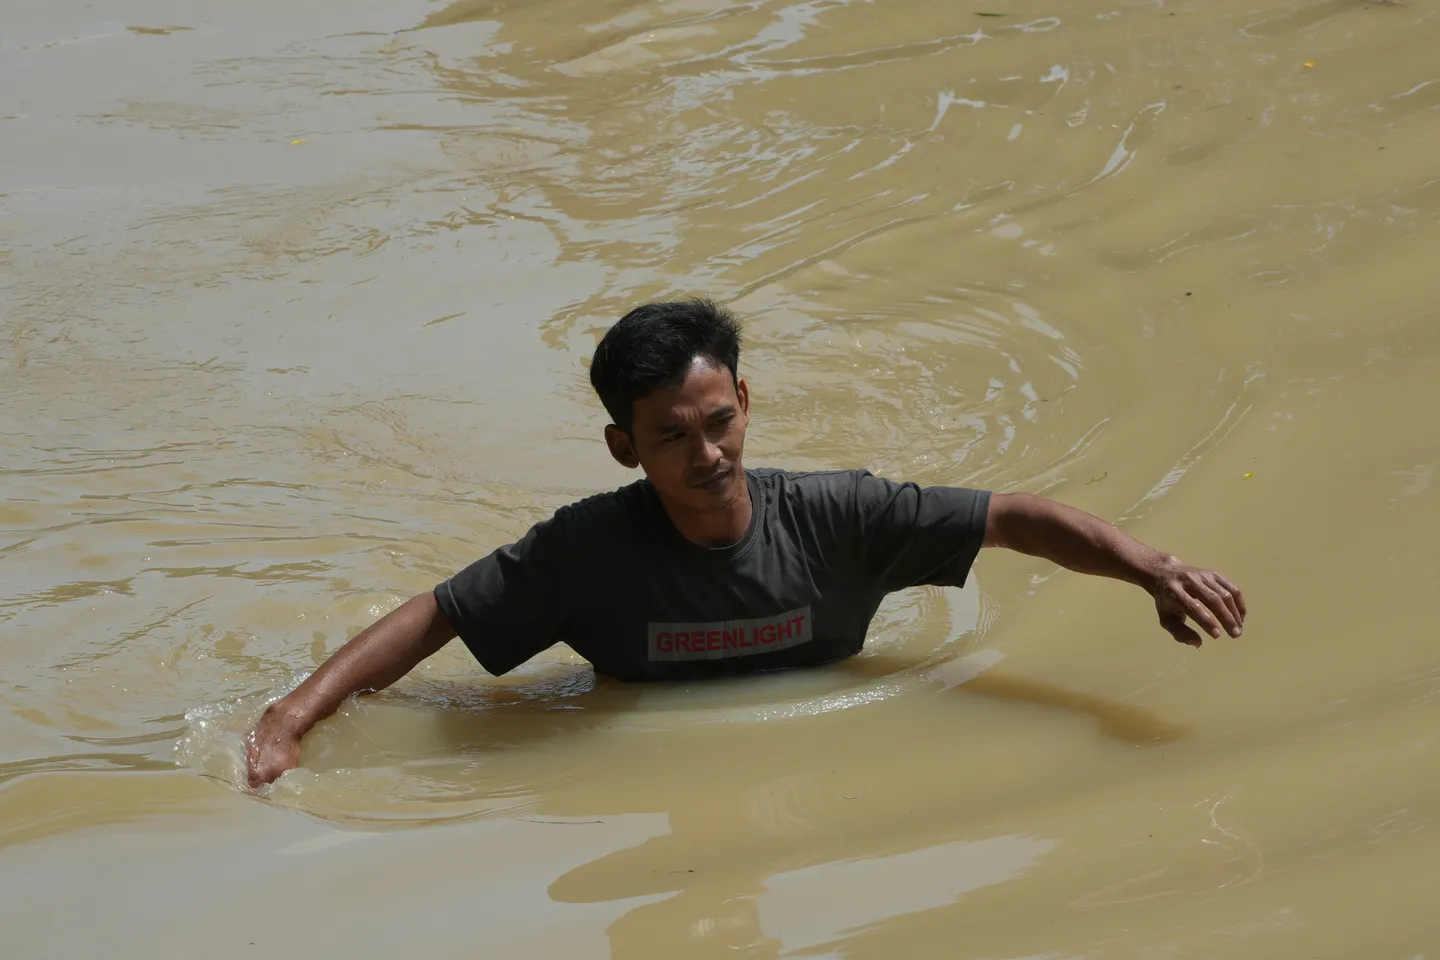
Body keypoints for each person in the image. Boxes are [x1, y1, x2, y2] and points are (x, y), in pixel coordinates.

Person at [245, 299, 1247, 787]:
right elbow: (439, 614)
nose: (707, 453)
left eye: (719, 420)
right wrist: (292, 717)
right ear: (623, 447)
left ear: (746, 404)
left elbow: (1008, 517)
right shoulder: (585, 550)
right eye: (671, 438)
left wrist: (1150, 569)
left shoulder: (843, 517)